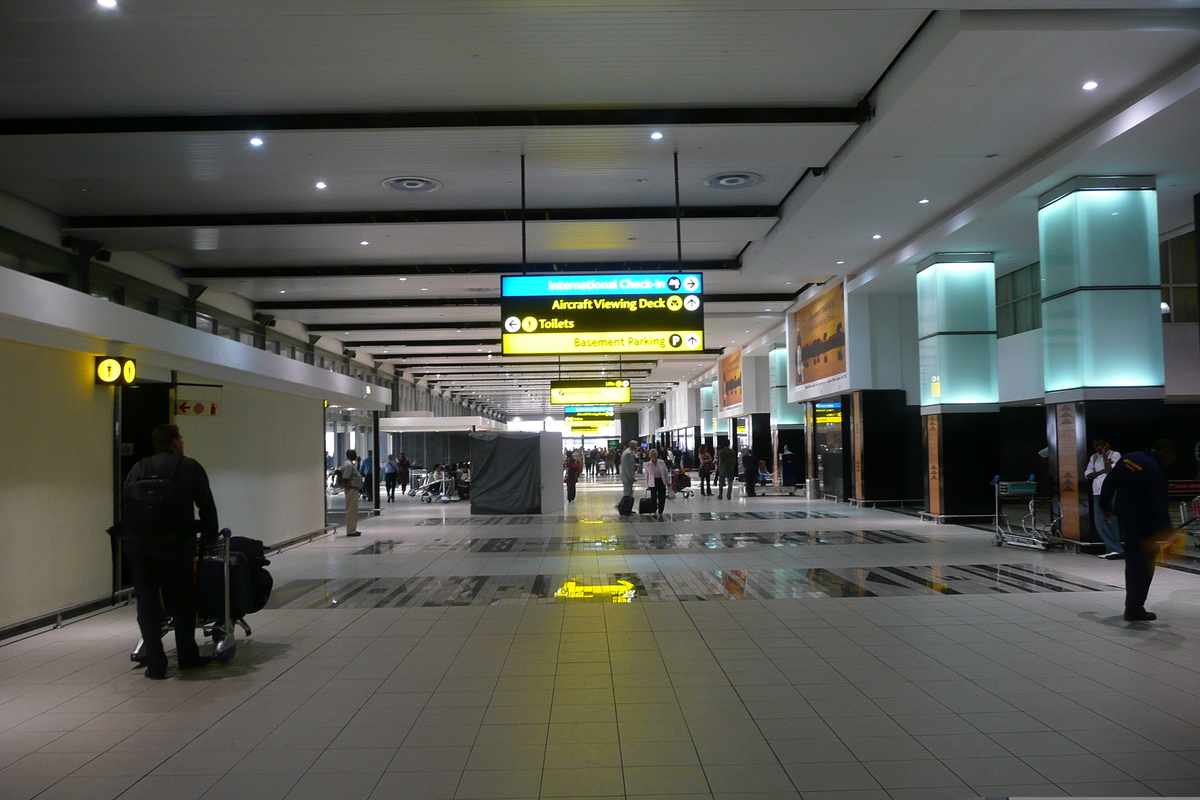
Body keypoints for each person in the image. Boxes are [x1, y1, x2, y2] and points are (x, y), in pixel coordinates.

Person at [121, 424, 218, 679]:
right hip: (175, 545)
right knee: (183, 601)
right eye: (181, 439)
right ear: (175, 442)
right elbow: (206, 505)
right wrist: (209, 537)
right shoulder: (188, 466)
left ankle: (156, 664)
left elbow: (126, 505)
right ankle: (187, 656)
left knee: (148, 603)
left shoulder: (137, 468)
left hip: (140, 546)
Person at [1099, 440, 1179, 622]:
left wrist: (1105, 504)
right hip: (1145, 523)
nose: (1171, 460)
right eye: (1171, 456)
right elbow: (1158, 504)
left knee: (1133, 560)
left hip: (1126, 518)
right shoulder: (1154, 470)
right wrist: (1167, 531)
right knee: (1143, 565)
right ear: (1165, 450)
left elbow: (1110, 480)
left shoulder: (1130, 458)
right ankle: (1135, 609)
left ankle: (1133, 606)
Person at [1084, 438, 1123, 559]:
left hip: (1111, 491)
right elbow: (1088, 474)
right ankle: (1113, 548)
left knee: (1112, 520)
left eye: (1101, 445)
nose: (1099, 447)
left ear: (1107, 444)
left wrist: (1106, 454)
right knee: (1100, 521)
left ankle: (1115, 548)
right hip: (1097, 491)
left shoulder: (1115, 454)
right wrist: (1102, 470)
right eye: (1096, 445)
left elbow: (1111, 471)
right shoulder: (1094, 457)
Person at [338, 449, 363, 536]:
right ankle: (351, 531)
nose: (356, 456)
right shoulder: (348, 464)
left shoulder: (350, 463)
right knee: (351, 510)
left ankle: (353, 529)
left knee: (353, 510)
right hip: (351, 489)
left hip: (353, 489)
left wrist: (358, 462)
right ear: (350, 455)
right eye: (355, 454)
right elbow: (346, 476)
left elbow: (355, 473)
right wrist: (344, 483)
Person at [644, 448, 671, 516]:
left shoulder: (661, 462)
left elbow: (665, 472)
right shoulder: (647, 464)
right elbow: (646, 475)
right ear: (650, 456)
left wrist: (668, 482)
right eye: (653, 455)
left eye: (655, 455)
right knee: (653, 497)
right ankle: (654, 509)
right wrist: (647, 484)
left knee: (662, 496)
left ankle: (661, 510)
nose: (654, 457)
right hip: (653, 481)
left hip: (661, 480)